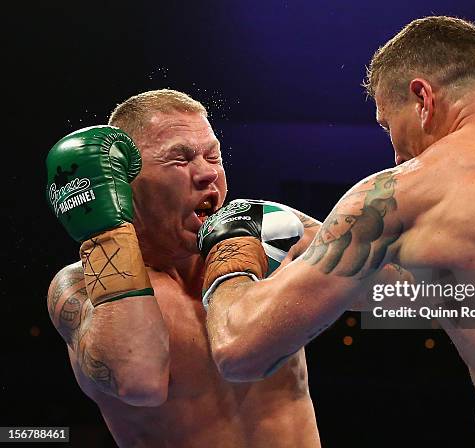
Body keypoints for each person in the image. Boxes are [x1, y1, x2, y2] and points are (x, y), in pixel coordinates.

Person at [199, 17, 475, 448]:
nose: (395, 151)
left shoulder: (400, 194)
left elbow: (240, 348)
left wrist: (231, 250)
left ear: (422, 98)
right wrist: (314, 238)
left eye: (385, 123)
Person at [45, 89, 323, 447]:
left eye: (214, 156)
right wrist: (107, 231)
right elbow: (139, 379)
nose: (208, 174)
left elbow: (395, 292)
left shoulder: (267, 229)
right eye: (181, 159)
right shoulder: (80, 286)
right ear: (123, 181)